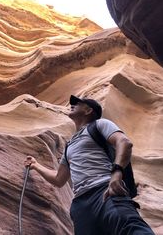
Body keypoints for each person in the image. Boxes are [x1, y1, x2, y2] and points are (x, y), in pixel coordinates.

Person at [24, 95, 155, 235]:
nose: (72, 104)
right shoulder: (69, 146)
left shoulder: (100, 125)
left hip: (105, 190)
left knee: (131, 229)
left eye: (78, 103)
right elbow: (59, 179)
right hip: (80, 205)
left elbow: (124, 143)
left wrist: (116, 174)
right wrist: (36, 165)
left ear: (88, 110)